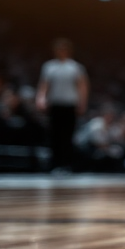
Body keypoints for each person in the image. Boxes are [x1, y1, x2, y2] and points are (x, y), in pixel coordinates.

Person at [36, 39, 88, 173]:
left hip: (70, 105)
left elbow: (82, 86)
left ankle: (67, 164)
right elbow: (44, 85)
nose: (61, 51)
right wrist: (41, 98)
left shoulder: (75, 67)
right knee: (54, 135)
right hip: (55, 104)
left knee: (68, 135)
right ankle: (55, 164)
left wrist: (82, 103)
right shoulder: (49, 66)